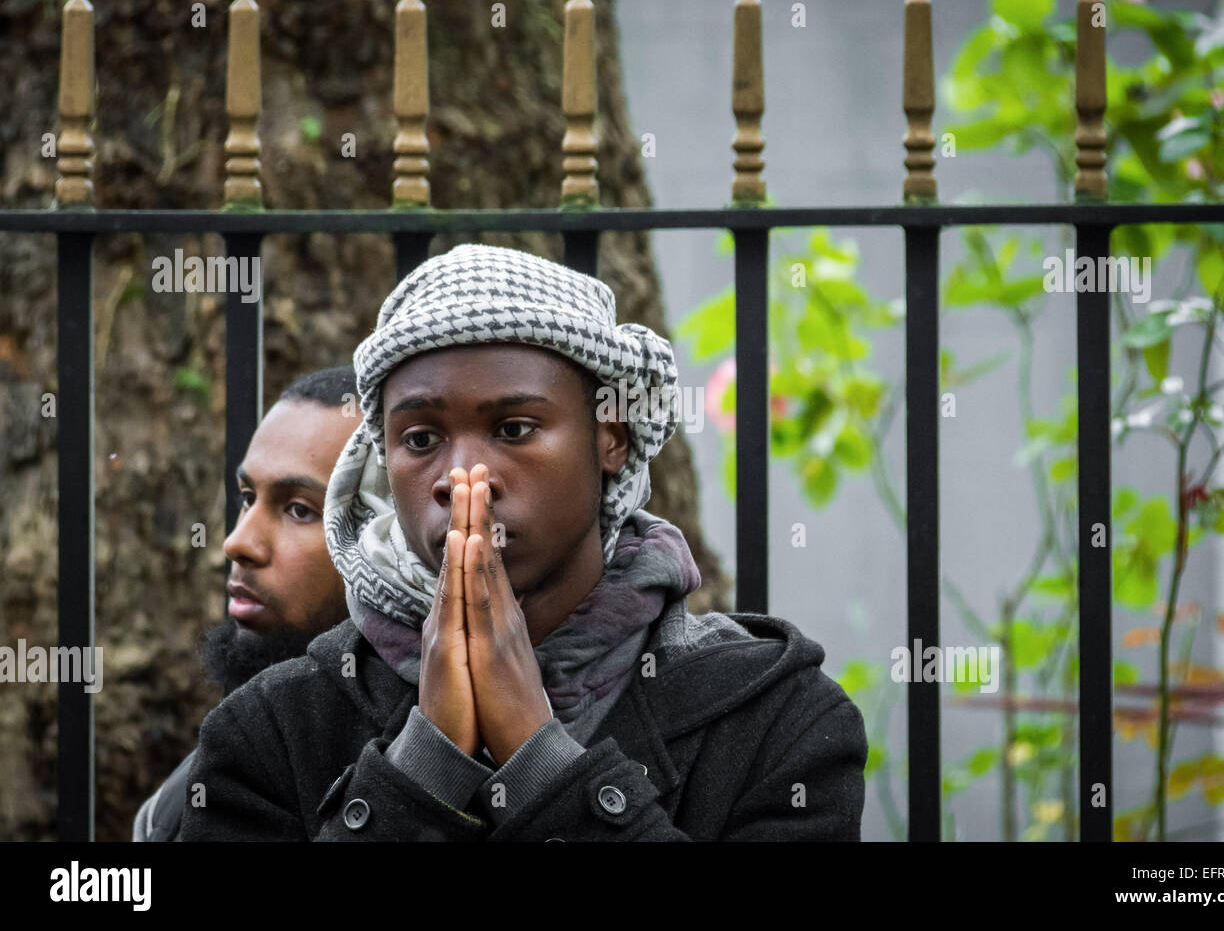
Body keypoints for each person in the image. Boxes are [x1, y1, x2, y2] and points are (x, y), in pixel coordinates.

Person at [180, 244, 867, 841]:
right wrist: (424, 765)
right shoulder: (271, 731)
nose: (461, 476)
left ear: (611, 438)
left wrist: (541, 762)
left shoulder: (778, 724)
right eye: (420, 440)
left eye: (513, 429)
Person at [132, 365, 362, 841]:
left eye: (299, 509)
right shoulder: (172, 805)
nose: (237, 543)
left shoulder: (457, 764)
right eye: (246, 497)